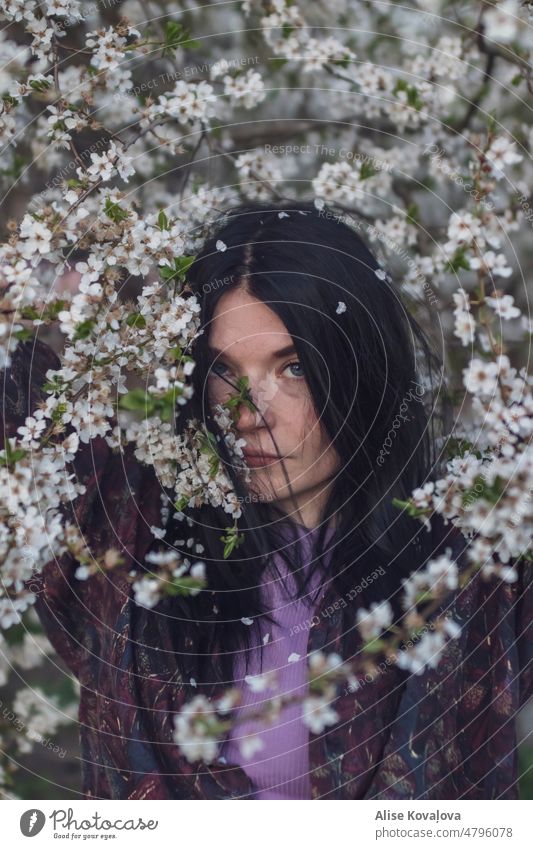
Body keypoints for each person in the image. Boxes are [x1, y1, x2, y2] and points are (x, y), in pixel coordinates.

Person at [1, 200, 531, 800]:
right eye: (225, 370)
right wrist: (43, 286)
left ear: (361, 365)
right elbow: (22, 415)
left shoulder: (474, 563)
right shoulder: (135, 545)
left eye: (295, 367)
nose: (249, 414)